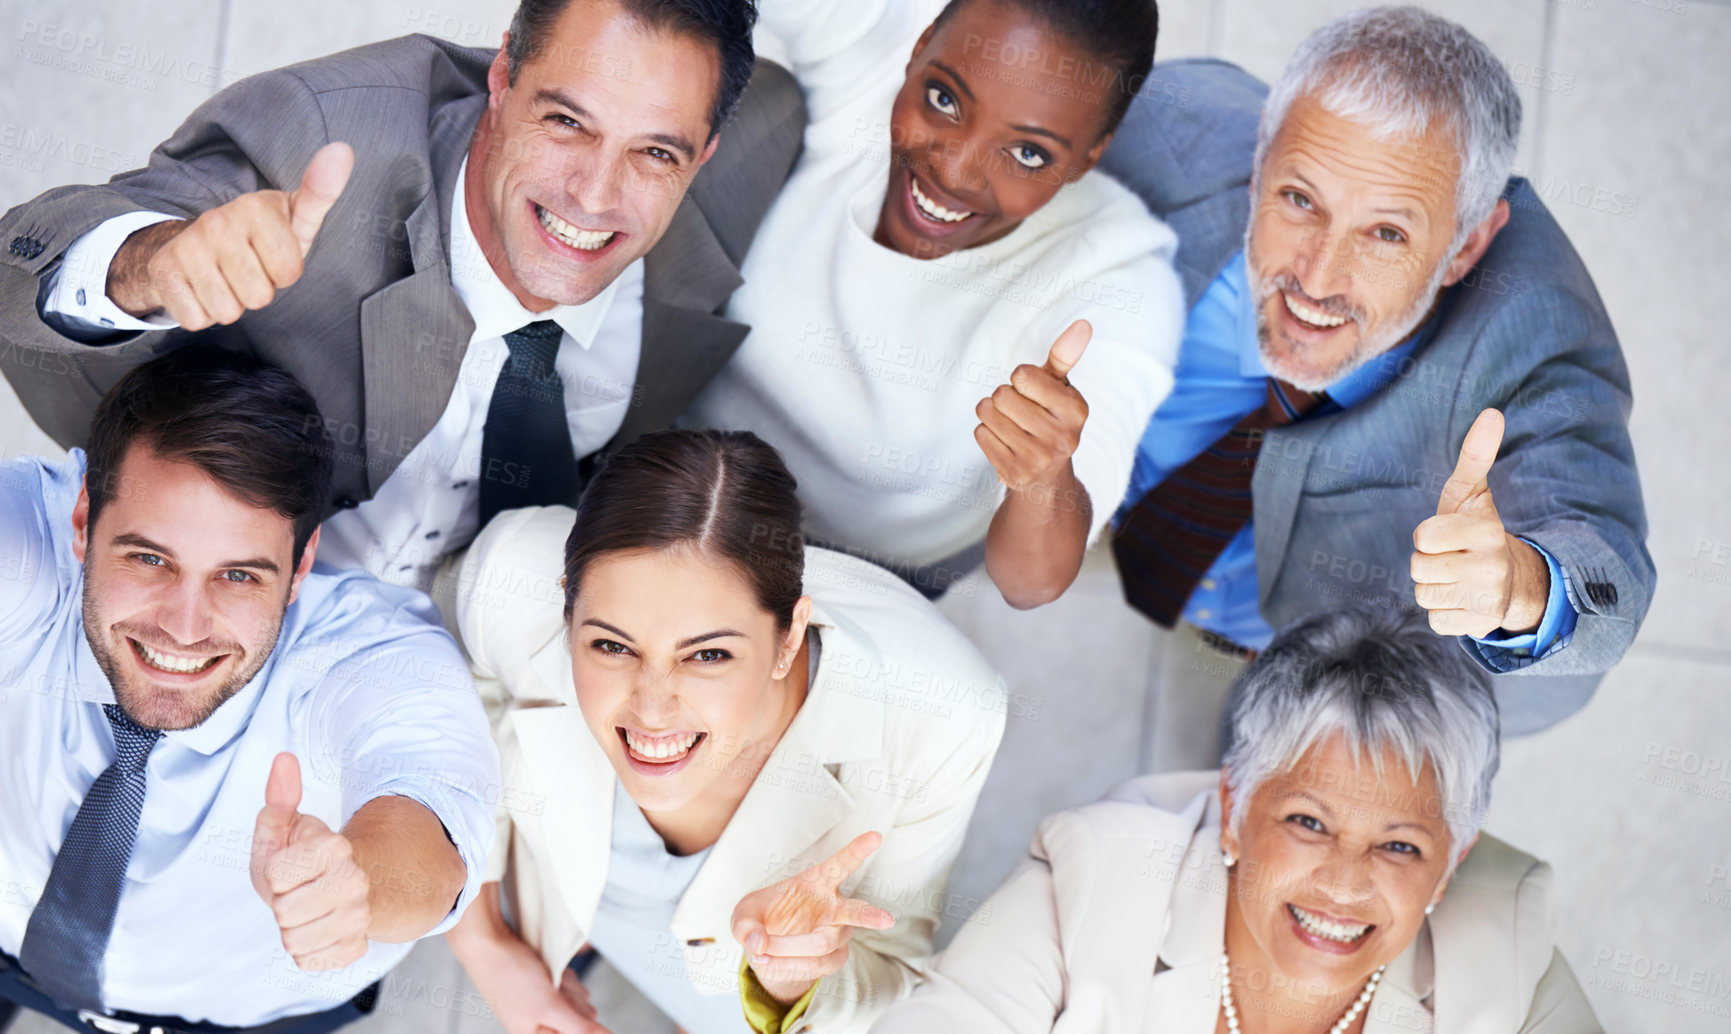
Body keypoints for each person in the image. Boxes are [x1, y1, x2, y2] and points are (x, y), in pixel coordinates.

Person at [787, 606, 1677, 1034]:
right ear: (1234, 803)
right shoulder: (1094, 879)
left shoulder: (1502, 944)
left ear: (1454, 857)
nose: (1343, 882)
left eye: (1399, 846)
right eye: (1307, 821)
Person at [0, 0, 804, 589]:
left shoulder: (756, 142)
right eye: (566, 123)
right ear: (501, 77)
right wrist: (150, 260)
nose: (594, 195)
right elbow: (16, 262)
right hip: (252, 614)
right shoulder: (317, 150)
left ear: (702, 158)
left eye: (655, 153)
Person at [1101, 8, 1652, 766]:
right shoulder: (1170, 124)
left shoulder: (1531, 332)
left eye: (1385, 234)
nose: (1316, 280)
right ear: (1261, 157)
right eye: (1298, 199)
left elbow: (1606, 572)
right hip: (1168, 509)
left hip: (1367, 630)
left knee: (1299, 746)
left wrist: (1517, 585)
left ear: (1465, 246)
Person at [438, 429, 1007, 1034]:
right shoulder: (509, 571)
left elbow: (892, 966)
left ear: (789, 638)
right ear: (565, 605)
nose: (651, 709)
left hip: (740, 970)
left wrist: (784, 979)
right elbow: (447, 685)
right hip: (563, 859)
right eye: (610, 645)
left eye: (707, 655)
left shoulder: (946, 716)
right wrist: (481, 934)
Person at [0, 348, 499, 1034]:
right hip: (11, 927)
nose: (184, 627)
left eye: (238, 576)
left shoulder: (365, 655)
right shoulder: (29, 552)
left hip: (254, 1005)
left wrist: (357, 886)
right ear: (84, 521)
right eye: (149, 557)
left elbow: (435, 817)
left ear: (300, 567)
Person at [683, 0, 1184, 607]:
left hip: (872, 573)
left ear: (1088, 156)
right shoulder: (873, 63)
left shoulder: (1121, 278)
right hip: (681, 476)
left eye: (1028, 153)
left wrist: (1042, 478)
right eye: (945, 100)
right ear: (919, 49)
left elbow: (1033, 581)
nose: (954, 171)